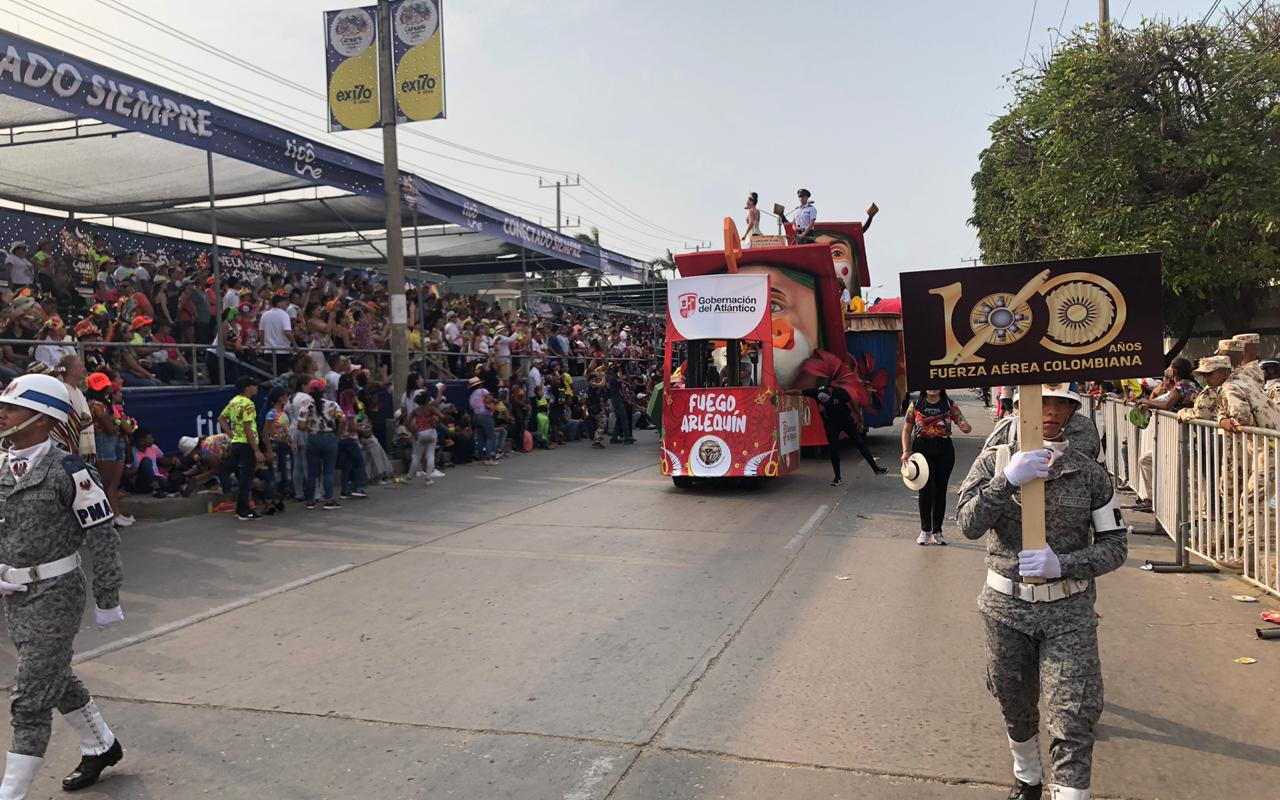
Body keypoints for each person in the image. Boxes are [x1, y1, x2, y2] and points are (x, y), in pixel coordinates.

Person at [957, 383, 1126, 800]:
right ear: (1018, 407)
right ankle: (1027, 776)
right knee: (1014, 704)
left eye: (1059, 404)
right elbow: (967, 524)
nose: (1047, 411)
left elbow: (1115, 545)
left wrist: (1064, 564)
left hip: (1068, 610)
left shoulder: (1089, 472)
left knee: (1074, 715)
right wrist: (1006, 481)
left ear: (1071, 411)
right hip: (1005, 609)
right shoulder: (994, 460)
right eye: (1039, 401)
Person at [0, 373, 125, 799]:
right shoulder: (2, 464)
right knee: (53, 676)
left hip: (57, 594)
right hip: (15, 597)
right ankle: (101, 745)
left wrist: (108, 599)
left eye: (12, 408)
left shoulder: (71, 471)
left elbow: (103, 536)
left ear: (40, 418)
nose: (2, 413)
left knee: (30, 700)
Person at [1217, 351, 1280, 575]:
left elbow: (1240, 417)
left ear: (1222, 372)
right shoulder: (1246, 379)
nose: (1206, 379)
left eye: (1210, 374)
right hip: (1265, 446)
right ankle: (1246, 556)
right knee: (1251, 500)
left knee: (1253, 501)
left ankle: (1248, 559)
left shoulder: (1230, 387)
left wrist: (1223, 419)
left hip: (1269, 448)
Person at [900, 388, 972, 544]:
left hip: (944, 450)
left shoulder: (949, 404)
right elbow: (906, 430)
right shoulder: (916, 404)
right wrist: (905, 451)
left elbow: (962, 423)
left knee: (940, 490)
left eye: (936, 385)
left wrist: (965, 426)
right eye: (929, 385)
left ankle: (937, 531)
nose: (932, 388)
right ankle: (925, 530)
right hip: (921, 450)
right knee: (926, 489)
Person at [803, 381, 888, 486]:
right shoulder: (815, 392)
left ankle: (876, 469)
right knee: (834, 449)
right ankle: (837, 478)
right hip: (831, 424)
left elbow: (851, 403)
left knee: (859, 443)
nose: (825, 405)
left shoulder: (840, 392)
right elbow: (798, 392)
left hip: (846, 421)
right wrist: (783, 392)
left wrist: (858, 417)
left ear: (830, 393)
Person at [85, 372, 131, 527]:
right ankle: (102, 518)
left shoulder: (104, 404)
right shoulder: (96, 404)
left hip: (111, 441)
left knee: (111, 482)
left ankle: (115, 515)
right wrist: (119, 422)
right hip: (103, 440)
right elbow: (111, 428)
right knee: (103, 482)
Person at [218, 376, 265, 521]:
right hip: (246, 444)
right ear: (247, 388)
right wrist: (256, 450)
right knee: (246, 479)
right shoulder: (248, 404)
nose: (256, 388)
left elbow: (221, 418)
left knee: (239, 474)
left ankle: (243, 507)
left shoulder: (234, 401)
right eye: (253, 385)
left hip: (237, 443)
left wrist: (232, 435)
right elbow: (248, 427)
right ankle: (243, 509)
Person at [298, 378, 343, 510]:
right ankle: (329, 499)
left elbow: (300, 425)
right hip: (329, 438)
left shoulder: (306, 406)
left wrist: (310, 427)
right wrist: (338, 435)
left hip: (313, 438)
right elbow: (343, 419)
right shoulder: (332, 404)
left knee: (312, 472)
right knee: (328, 471)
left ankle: (311, 500)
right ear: (323, 391)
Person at [408, 390, 446, 483]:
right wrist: (436, 422)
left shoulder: (415, 411)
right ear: (428, 399)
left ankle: (409, 477)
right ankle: (428, 478)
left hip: (420, 434)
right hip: (431, 432)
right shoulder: (431, 409)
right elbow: (442, 416)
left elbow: (407, 423)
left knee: (417, 456)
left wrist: (414, 433)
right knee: (430, 455)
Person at [468, 376, 498, 465]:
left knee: (480, 437)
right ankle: (488, 458)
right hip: (485, 415)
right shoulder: (483, 391)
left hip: (476, 416)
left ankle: (481, 457)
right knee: (489, 436)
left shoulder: (471, 396)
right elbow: (491, 400)